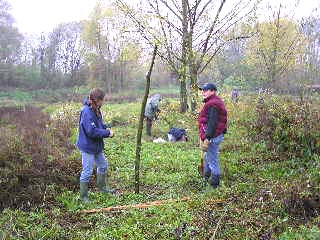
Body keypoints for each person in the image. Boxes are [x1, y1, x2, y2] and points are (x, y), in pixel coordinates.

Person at [77, 88, 114, 203]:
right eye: (102, 100)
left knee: (103, 165)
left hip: (97, 146)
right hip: (88, 147)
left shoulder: (96, 109)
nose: (103, 102)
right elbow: (91, 131)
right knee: (87, 171)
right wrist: (108, 133)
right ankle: (83, 197)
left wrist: (106, 127)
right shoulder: (86, 112)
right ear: (97, 100)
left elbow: (99, 125)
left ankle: (102, 188)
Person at [198, 83, 227, 188]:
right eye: (202, 90)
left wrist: (207, 138)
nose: (203, 92)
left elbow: (212, 122)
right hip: (214, 135)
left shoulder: (213, 104)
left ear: (213, 91)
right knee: (208, 157)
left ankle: (215, 184)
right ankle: (206, 175)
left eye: (206, 90)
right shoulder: (213, 102)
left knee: (212, 159)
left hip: (213, 136)